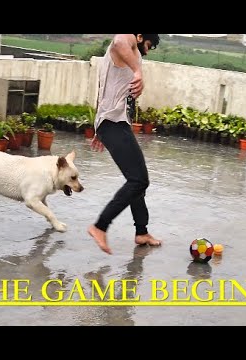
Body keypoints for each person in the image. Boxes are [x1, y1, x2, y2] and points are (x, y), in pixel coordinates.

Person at [88, 34, 162, 255]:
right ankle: (100, 226)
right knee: (139, 180)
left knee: (137, 179)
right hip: (113, 124)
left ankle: (141, 232)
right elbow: (121, 40)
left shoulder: (124, 56)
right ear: (139, 37)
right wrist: (139, 71)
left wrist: (99, 125)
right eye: (147, 45)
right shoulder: (126, 41)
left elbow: (105, 89)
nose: (146, 52)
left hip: (112, 123)